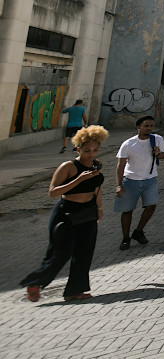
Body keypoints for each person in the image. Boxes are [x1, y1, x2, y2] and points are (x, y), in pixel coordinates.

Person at [21, 125, 110, 302]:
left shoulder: (95, 165)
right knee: (61, 253)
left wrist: (99, 209)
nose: (91, 154)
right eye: (87, 151)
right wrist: (79, 179)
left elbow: (97, 189)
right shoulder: (68, 167)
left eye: (95, 150)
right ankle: (34, 283)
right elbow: (53, 192)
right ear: (78, 149)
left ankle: (75, 291)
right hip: (66, 213)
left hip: (88, 212)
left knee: (85, 252)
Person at [114, 115, 164, 250]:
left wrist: (158, 153)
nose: (149, 129)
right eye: (146, 126)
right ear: (138, 127)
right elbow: (120, 165)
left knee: (151, 206)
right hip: (130, 180)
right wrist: (119, 185)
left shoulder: (157, 139)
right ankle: (125, 238)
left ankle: (138, 231)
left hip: (150, 179)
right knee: (127, 211)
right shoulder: (128, 144)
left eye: (151, 126)